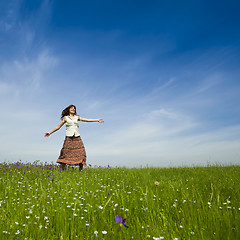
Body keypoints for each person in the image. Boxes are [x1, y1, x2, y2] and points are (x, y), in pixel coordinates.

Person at [44, 104, 104, 171]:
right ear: (69, 110)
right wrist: (50, 132)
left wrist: (97, 120)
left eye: (74, 108)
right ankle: (62, 170)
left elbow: (87, 120)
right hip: (69, 138)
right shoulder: (65, 118)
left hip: (77, 137)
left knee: (81, 152)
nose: (73, 109)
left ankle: (80, 171)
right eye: (72, 108)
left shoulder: (77, 117)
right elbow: (58, 127)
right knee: (65, 153)